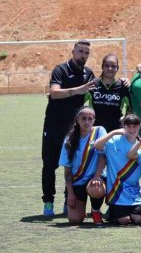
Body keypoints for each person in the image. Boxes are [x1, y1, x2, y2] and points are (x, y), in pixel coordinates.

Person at [41, 39, 96, 216]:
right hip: (54, 126)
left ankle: (67, 201)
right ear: (73, 52)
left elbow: (102, 87)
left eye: (86, 53)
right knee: (49, 165)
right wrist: (78, 90)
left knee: (71, 165)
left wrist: (124, 82)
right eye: (80, 51)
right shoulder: (61, 69)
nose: (83, 55)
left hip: (74, 129)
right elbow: (54, 93)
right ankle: (48, 202)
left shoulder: (89, 73)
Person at [93, 114, 141, 225]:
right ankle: (112, 211)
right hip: (116, 192)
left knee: (138, 219)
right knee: (124, 221)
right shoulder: (114, 140)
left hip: (133, 194)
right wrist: (113, 132)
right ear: (123, 126)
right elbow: (97, 146)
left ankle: (113, 212)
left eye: (135, 126)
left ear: (140, 126)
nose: (132, 129)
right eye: (128, 126)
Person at [58, 107, 107, 225]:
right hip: (77, 181)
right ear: (77, 120)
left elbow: (102, 156)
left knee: (96, 188)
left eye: (90, 119)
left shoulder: (99, 131)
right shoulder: (69, 140)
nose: (87, 122)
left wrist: (97, 177)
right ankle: (81, 211)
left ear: (94, 120)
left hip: (95, 178)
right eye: (83, 118)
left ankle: (95, 210)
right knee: (74, 220)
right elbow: (68, 172)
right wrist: (70, 193)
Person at [85, 54, 131, 132]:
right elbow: (86, 106)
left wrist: (125, 118)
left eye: (113, 66)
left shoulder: (123, 86)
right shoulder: (93, 84)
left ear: (117, 68)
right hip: (95, 130)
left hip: (115, 130)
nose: (110, 68)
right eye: (107, 66)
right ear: (102, 67)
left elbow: (128, 108)